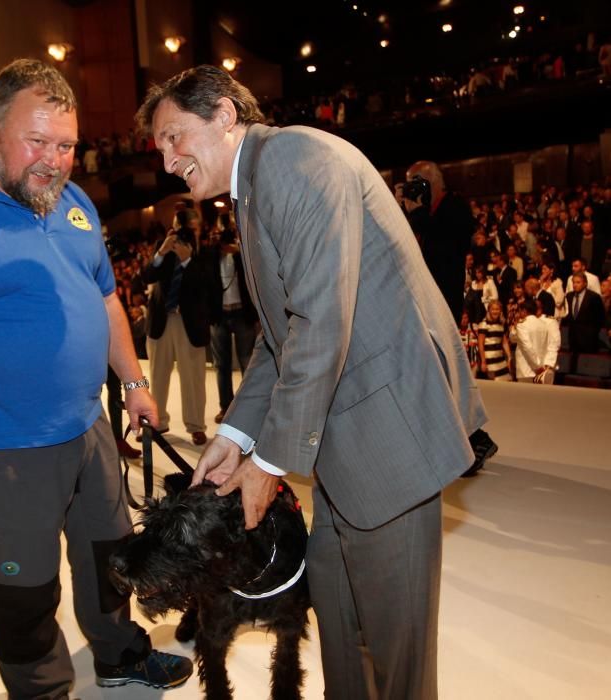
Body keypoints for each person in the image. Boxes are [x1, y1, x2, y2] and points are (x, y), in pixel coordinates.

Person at [135, 65, 487, 699]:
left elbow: (323, 321)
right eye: (159, 147)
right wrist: (237, 435)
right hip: (346, 451)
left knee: (396, 653)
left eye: (173, 136)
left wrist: (267, 464)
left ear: (223, 115)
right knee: (343, 630)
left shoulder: (296, 158)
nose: (166, 160)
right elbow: (284, 336)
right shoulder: (256, 187)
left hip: (389, 444)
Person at [0, 59, 191, 698]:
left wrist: (133, 384)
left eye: (67, 145)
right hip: (7, 446)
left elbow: (105, 299)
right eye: (38, 141)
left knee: (111, 557)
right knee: (27, 586)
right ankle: (41, 689)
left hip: (89, 425)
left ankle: (118, 653)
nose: (54, 160)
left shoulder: (72, 201)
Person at [143, 219, 212, 445]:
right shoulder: (162, 246)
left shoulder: (205, 251)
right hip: (161, 321)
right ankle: (158, 421)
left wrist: (187, 261)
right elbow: (146, 276)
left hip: (188, 322)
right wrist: (162, 252)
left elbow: (205, 285)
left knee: (193, 377)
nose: (180, 232)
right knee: (158, 374)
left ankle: (195, 425)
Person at [403, 160, 475, 323]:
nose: (412, 188)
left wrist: (417, 213)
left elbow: (442, 247)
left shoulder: (454, 205)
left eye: (415, 181)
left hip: (444, 301)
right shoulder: (426, 213)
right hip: (425, 301)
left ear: (431, 180)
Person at [207, 212, 258, 424]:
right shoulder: (211, 253)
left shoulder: (244, 249)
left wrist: (239, 250)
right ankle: (225, 407)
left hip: (242, 313)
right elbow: (204, 278)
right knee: (222, 365)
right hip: (220, 314)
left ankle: (249, 407)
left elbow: (255, 272)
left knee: (248, 361)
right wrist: (213, 248)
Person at [513, 298, 559, 384]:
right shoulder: (544, 324)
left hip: (527, 370)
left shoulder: (522, 325)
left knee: (524, 396)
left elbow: (528, 348)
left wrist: (537, 366)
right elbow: (513, 338)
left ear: (524, 311)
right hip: (542, 368)